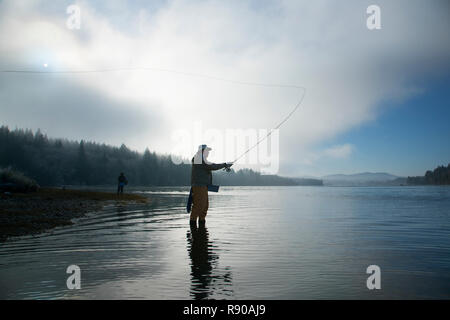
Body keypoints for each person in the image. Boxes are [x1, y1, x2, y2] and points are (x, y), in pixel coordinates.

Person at [190, 144, 232, 227]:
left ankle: (202, 227)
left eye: (208, 151)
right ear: (201, 151)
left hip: (204, 186)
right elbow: (212, 166)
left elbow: (213, 165)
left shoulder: (203, 160)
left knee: (204, 206)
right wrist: (224, 164)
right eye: (206, 151)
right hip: (199, 186)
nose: (208, 153)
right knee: (199, 206)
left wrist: (225, 165)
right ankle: (193, 227)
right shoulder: (198, 159)